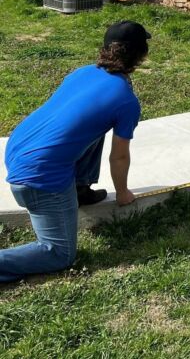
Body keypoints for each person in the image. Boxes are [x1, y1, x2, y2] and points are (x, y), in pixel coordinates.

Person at [0, 20, 150, 284]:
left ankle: (79, 189)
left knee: (95, 128)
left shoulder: (82, 72)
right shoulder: (126, 101)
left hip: (17, 150)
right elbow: (120, 156)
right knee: (59, 254)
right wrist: (123, 193)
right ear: (140, 55)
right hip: (39, 178)